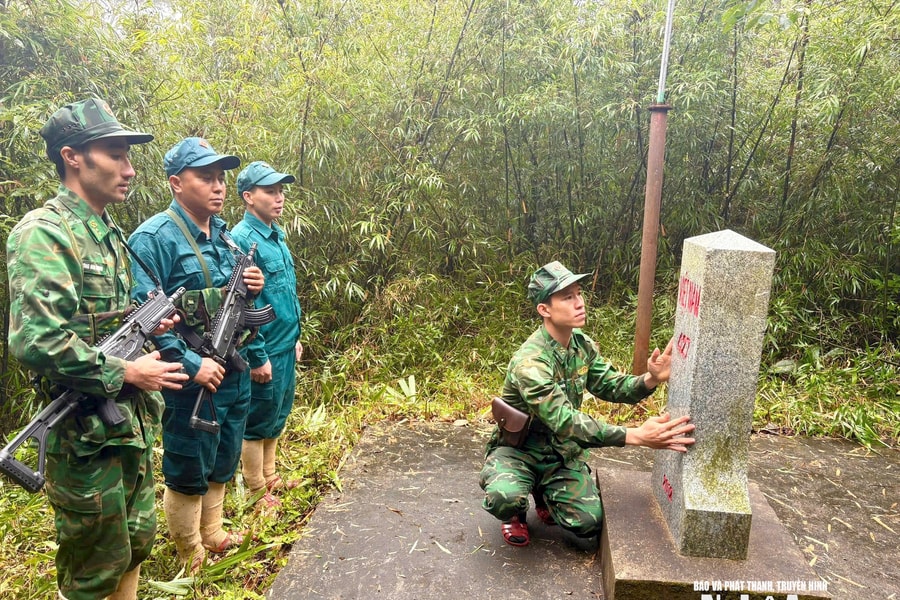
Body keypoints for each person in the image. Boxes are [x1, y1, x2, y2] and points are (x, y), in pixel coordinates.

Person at [6, 98, 189, 600]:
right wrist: (127, 372)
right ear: (72, 157)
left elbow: (99, 323)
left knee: (133, 545)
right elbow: (37, 340)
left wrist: (145, 328)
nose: (129, 170)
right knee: (93, 568)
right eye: (115, 155)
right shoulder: (45, 233)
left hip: (126, 428)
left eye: (129, 157)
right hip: (83, 439)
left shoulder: (107, 232)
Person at [479, 261, 696, 547]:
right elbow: (565, 421)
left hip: (560, 454)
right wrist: (636, 436)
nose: (579, 303)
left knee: (588, 522)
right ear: (544, 309)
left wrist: (650, 379)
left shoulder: (580, 344)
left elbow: (610, 384)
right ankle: (516, 512)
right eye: (567, 297)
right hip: (520, 451)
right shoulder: (530, 363)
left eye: (579, 294)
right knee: (504, 497)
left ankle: (545, 493)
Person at [126, 137, 267, 571]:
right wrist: (192, 365)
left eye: (220, 178)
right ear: (176, 183)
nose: (218, 186)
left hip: (233, 368)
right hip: (189, 378)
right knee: (190, 463)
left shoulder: (225, 236)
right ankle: (190, 551)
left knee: (224, 453)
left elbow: (235, 302)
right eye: (205, 177)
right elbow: (146, 316)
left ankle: (213, 531)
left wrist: (253, 285)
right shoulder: (154, 238)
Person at [231, 161, 303, 509]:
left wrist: (295, 337)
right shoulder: (242, 240)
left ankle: (271, 475)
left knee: (277, 413)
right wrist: (257, 355)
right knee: (257, 420)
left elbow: (284, 293)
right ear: (248, 197)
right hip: (265, 348)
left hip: (285, 343)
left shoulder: (275, 236)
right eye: (270, 191)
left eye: (280, 191)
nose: (279, 198)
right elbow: (243, 306)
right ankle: (257, 490)